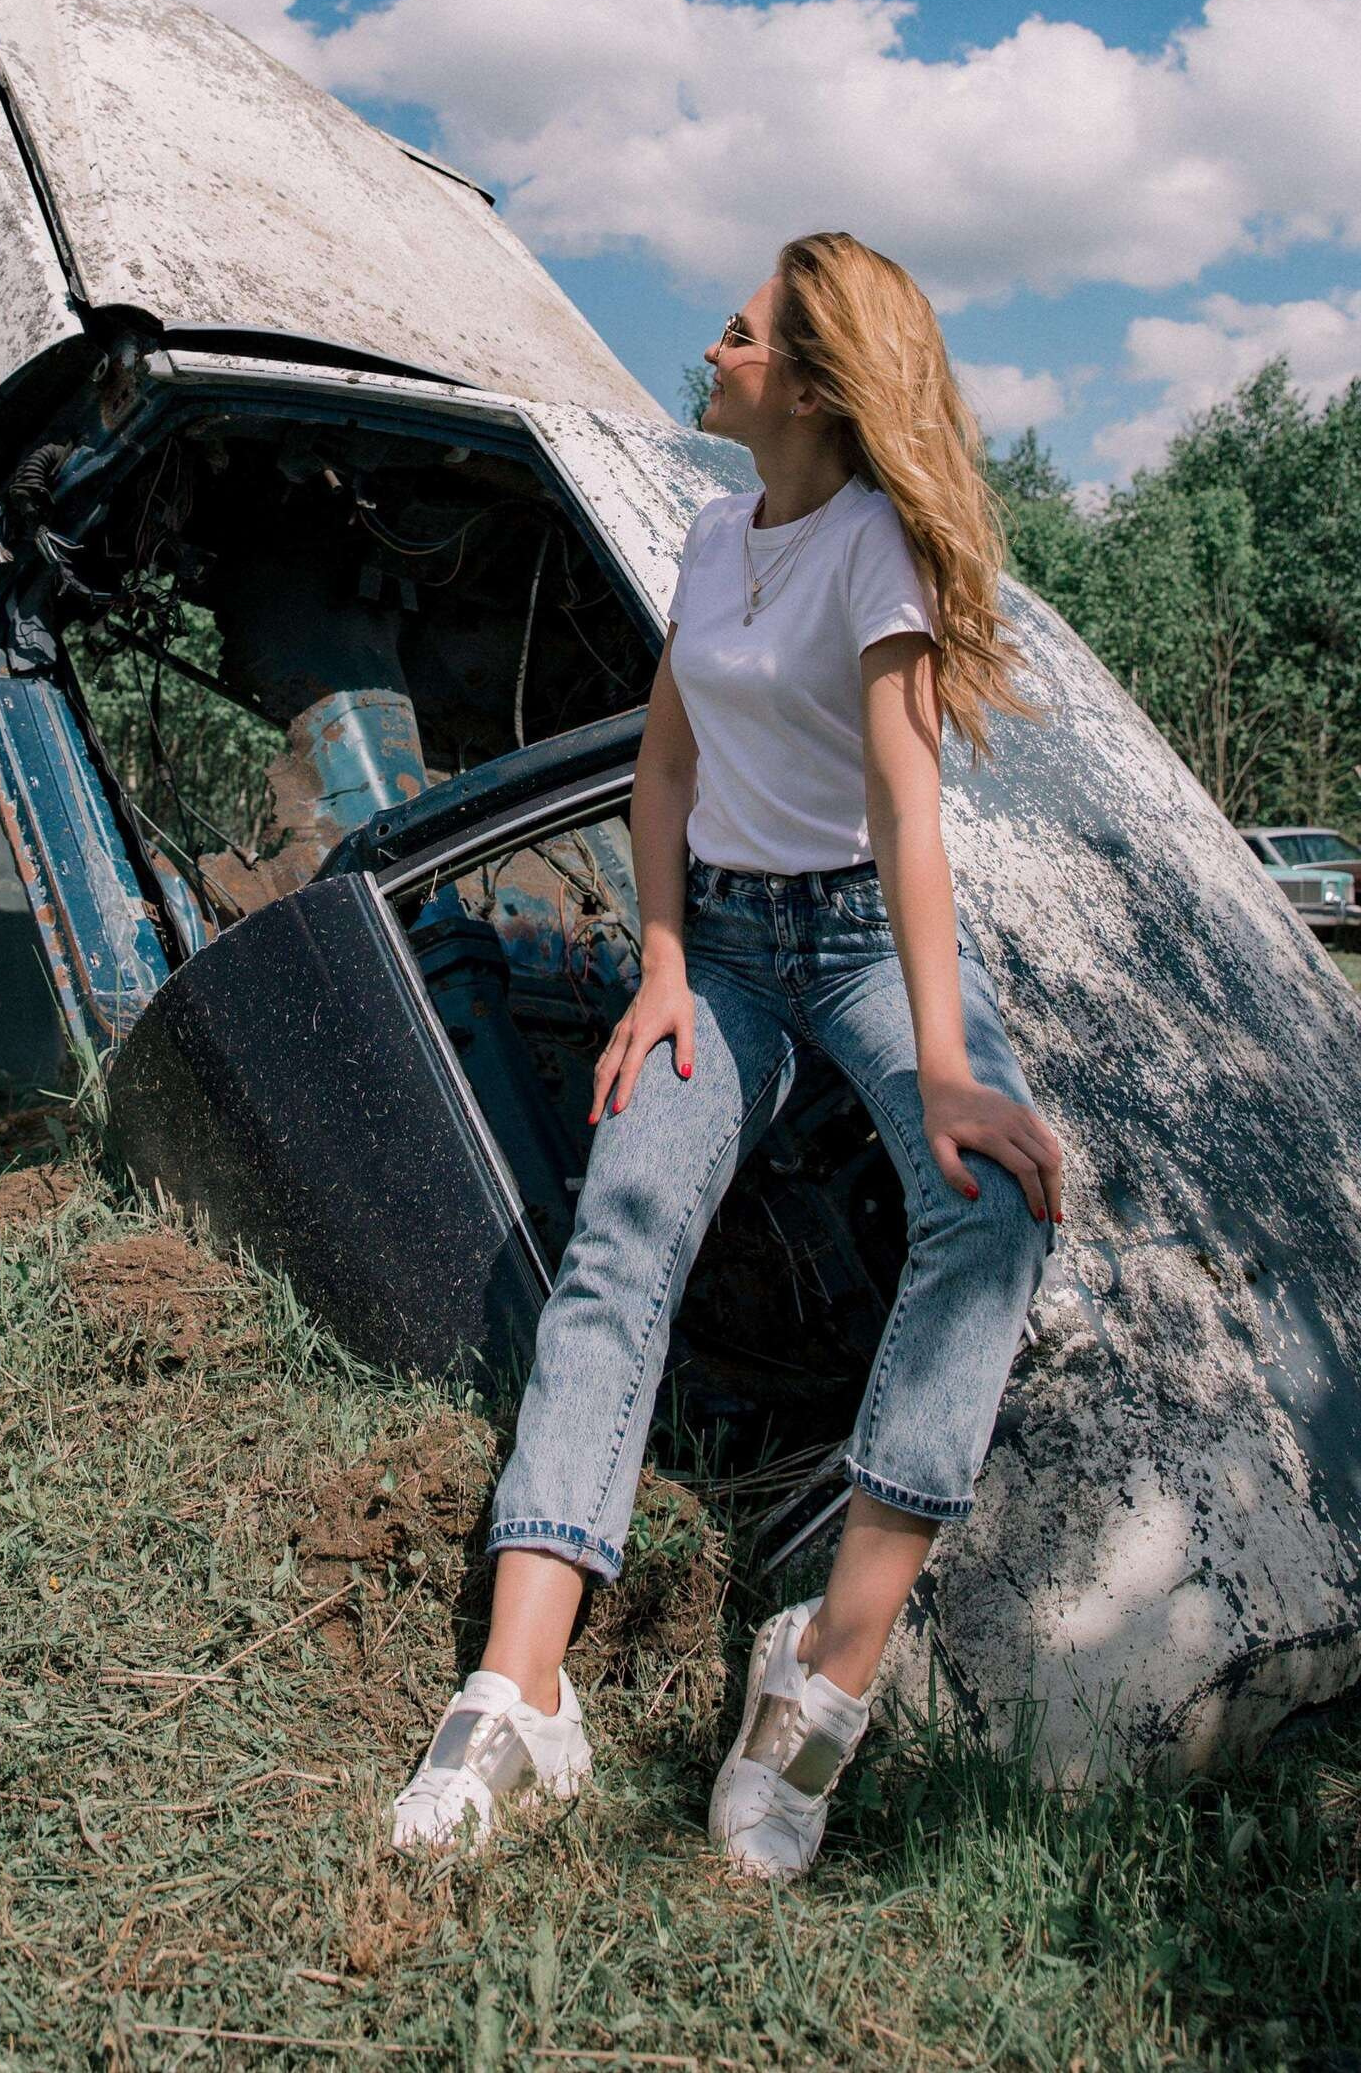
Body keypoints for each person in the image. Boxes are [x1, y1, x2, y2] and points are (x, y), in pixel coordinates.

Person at [391, 230, 1063, 1880]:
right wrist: (663, 971)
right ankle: (518, 1696)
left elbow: (910, 815)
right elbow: (666, 776)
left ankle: (822, 1681)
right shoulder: (705, 534)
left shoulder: (875, 552)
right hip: (730, 960)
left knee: (992, 1207)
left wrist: (950, 1062)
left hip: (855, 947)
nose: (715, 340)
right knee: (623, 1225)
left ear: (820, 386)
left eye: (744, 331)